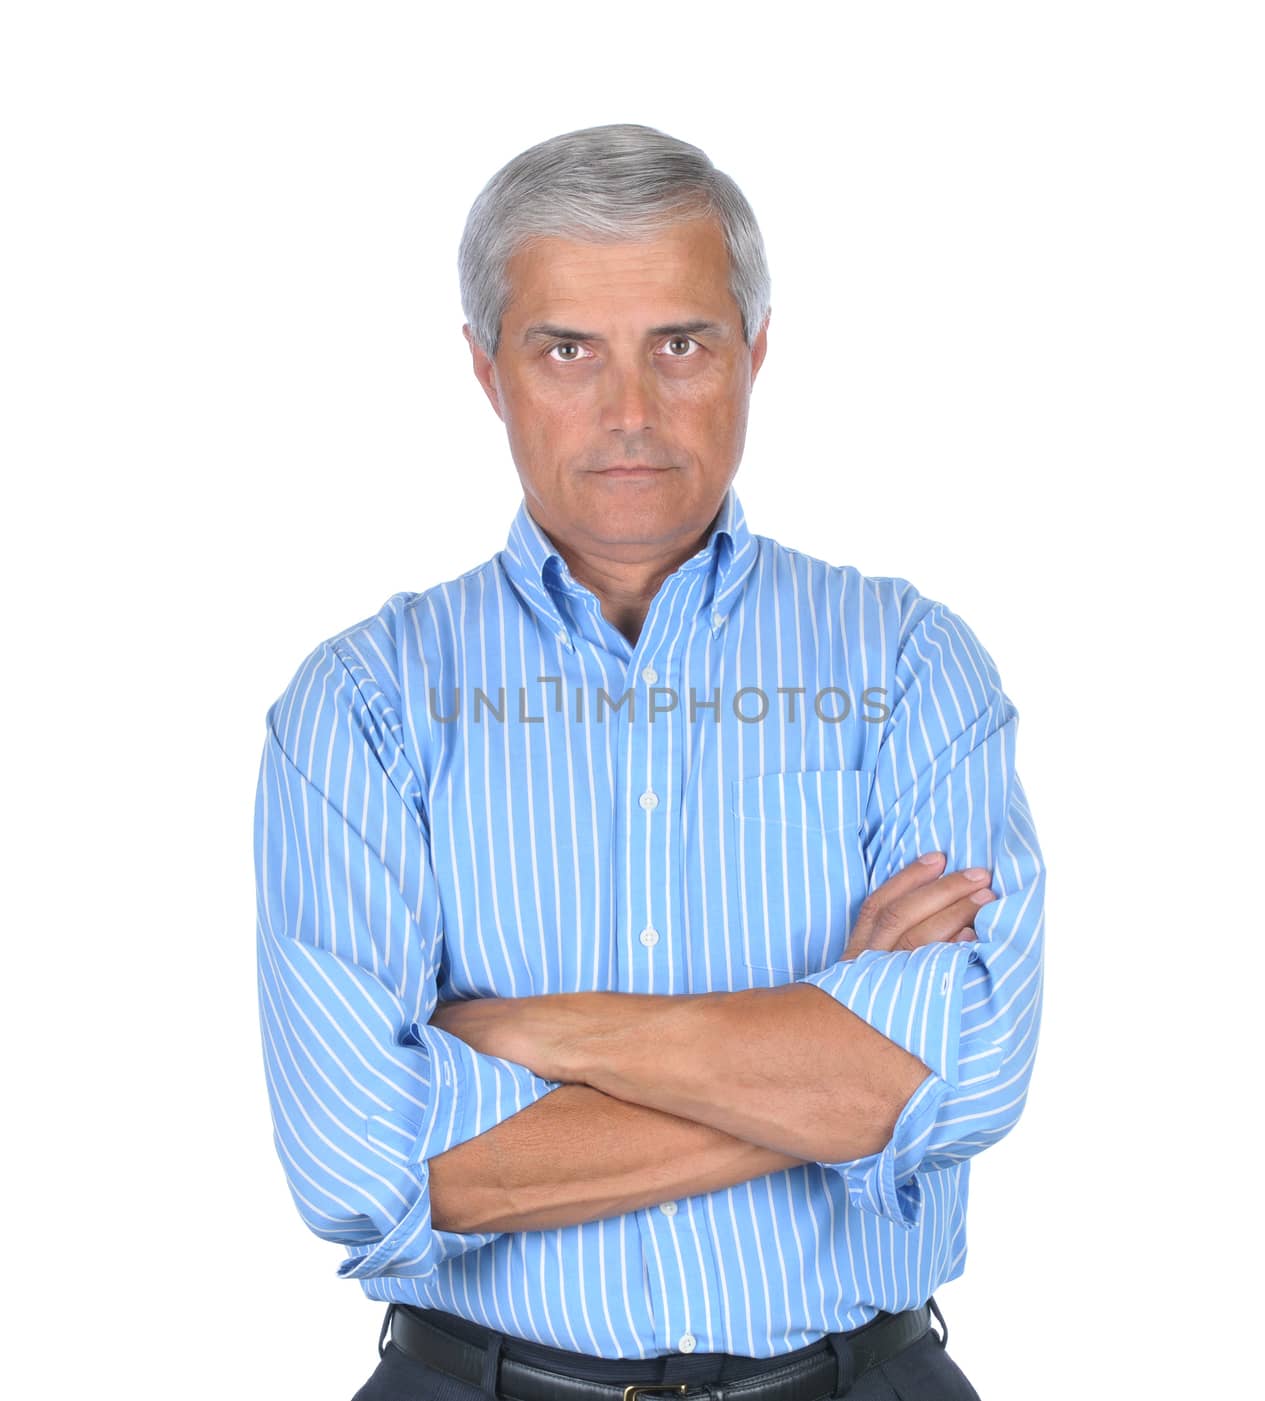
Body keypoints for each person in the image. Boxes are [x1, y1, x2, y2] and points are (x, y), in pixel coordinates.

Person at [254, 122, 1046, 1401]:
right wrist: (825, 1078)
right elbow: (359, 1166)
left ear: (756, 351)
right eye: (567, 350)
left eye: (680, 344)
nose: (629, 411)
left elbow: (963, 1075)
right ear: (486, 372)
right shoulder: (363, 707)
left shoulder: (907, 663)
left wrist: (542, 1036)